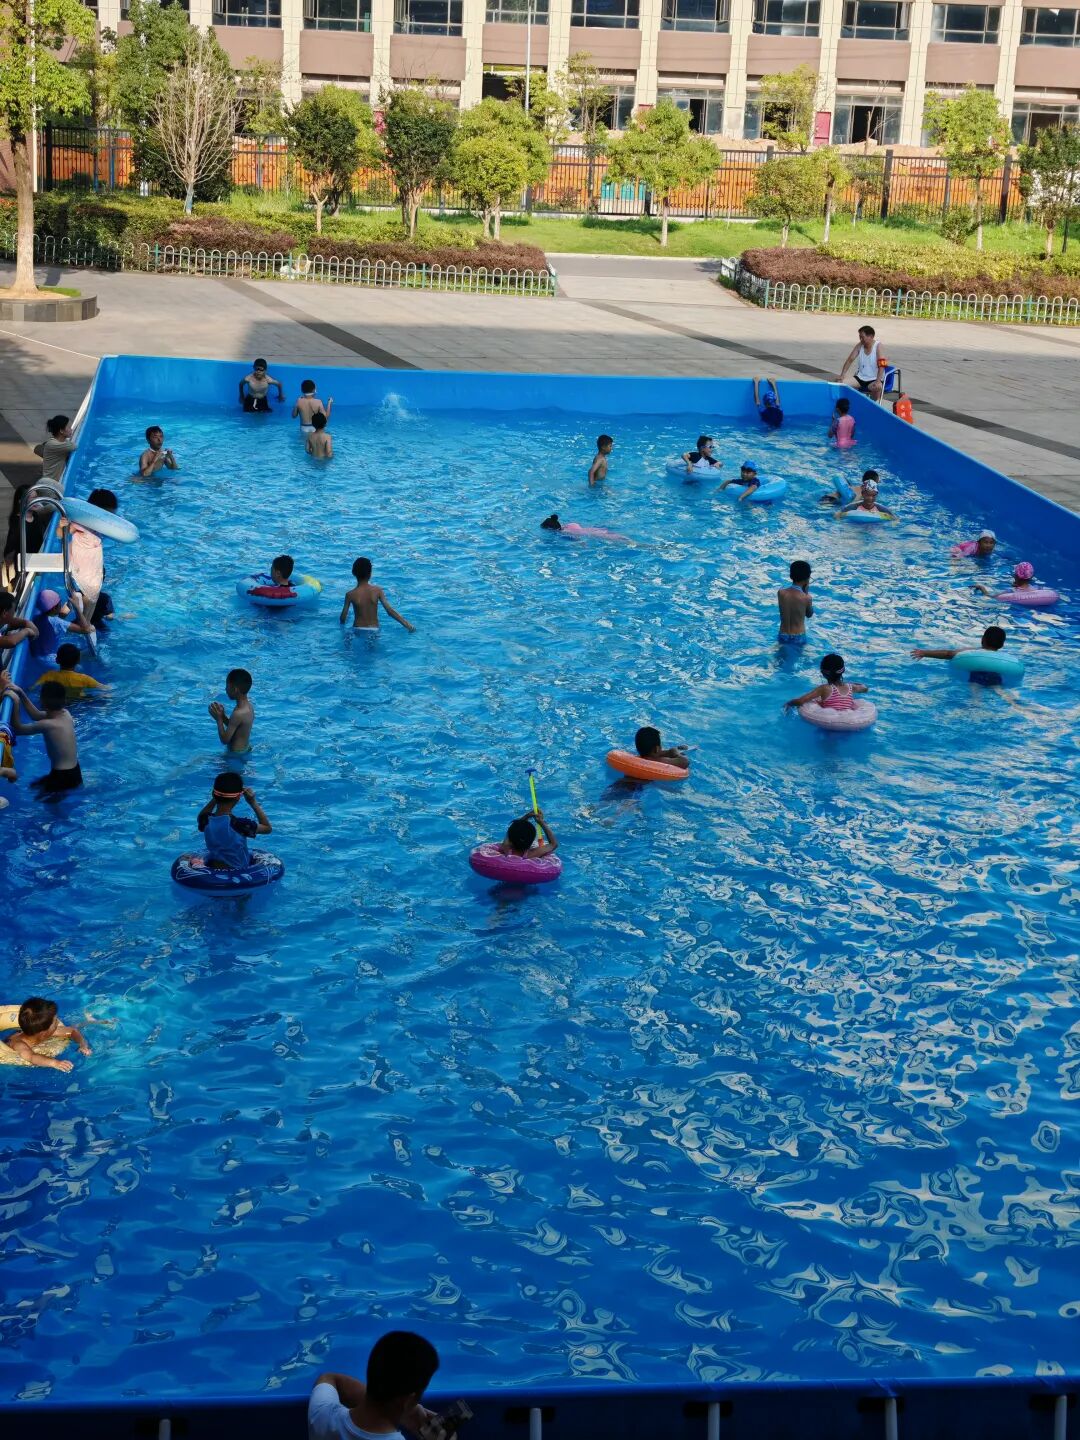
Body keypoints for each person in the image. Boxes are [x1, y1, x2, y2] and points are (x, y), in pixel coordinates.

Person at [308, 1331, 441, 1440]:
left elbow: (329, 1378)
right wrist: (405, 1410)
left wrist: (396, 1405)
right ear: (409, 1399)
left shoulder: (322, 1416)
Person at [58, 487, 122, 630]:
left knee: (92, 591)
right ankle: (85, 624)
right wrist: (61, 526)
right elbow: (61, 535)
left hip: (91, 560)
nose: (110, 517)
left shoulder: (101, 525)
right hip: (83, 560)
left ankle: (84, 622)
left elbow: (62, 613)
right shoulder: (82, 521)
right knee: (92, 591)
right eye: (108, 513)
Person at [3, 681, 82, 793]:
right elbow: (35, 715)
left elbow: (17, 730)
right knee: (34, 787)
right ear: (64, 700)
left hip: (62, 776)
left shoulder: (47, 725)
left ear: (42, 702)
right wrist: (21, 693)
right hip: (75, 772)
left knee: (42, 799)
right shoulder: (65, 714)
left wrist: (16, 702)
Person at [196, 773, 272, 870]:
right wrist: (252, 802)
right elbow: (267, 828)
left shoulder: (205, 820)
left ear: (213, 794)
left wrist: (216, 797)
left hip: (213, 869)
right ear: (238, 797)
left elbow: (201, 815)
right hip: (237, 873)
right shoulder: (240, 825)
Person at [2, 997, 91, 1073]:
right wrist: (55, 1063)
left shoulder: (43, 1032)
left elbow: (72, 1031)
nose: (58, 1022)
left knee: (74, 1027)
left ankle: (89, 1021)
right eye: (55, 1021)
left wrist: (82, 1045)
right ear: (44, 1032)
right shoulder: (19, 1044)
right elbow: (31, 1057)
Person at [340, 558, 414, 633]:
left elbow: (343, 617)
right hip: (373, 630)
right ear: (370, 574)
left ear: (353, 573)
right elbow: (390, 611)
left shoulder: (350, 594)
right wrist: (407, 625)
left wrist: (342, 625)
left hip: (357, 629)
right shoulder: (377, 591)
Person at [784, 653, 868, 713]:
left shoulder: (824, 689)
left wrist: (789, 703)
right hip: (849, 722)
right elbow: (865, 688)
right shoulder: (851, 687)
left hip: (830, 724)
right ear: (843, 670)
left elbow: (801, 701)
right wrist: (851, 683)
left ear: (823, 673)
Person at [28, 588, 94, 663]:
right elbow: (86, 630)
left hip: (35, 654)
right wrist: (77, 607)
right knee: (84, 658)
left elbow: (60, 614)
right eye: (60, 602)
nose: (61, 604)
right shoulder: (56, 622)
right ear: (54, 608)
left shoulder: (34, 616)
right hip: (51, 660)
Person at [911, 624, 1008, 668]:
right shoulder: (1003, 658)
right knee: (998, 688)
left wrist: (924, 653)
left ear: (983, 639)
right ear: (1002, 644)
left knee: (975, 690)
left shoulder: (974, 652)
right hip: (995, 674)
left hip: (976, 675)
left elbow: (948, 654)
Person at [35, 641, 108, 699]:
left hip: (59, 702)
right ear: (78, 661)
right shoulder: (84, 679)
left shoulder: (49, 676)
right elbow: (105, 689)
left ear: (57, 660)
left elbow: (33, 689)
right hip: (80, 701)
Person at [837, 324, 889, 401]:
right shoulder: (860, 345)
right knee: (839, 383)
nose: (861, 339)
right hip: (860, 378)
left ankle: (873, 403)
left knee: (877, 387)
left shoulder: (878, 346)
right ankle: (844, 404)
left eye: (862, 337)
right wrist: (842, 375)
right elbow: (850, 359)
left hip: (874, 379)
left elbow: (882, 364)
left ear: (871, 336)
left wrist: (878, 381)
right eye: (860, 337)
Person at [209, 668, 254, 753]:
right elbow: (235, 726)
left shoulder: (238, 714)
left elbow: (224, 740)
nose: (225, 689)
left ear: (234, 689)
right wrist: (223, 716)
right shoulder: (249, 707)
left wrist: (219, 720)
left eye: (227, 686)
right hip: (245, 749)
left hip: (235, 755)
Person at [777, 560, 813, 644]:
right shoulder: (806, 598)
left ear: (791, 576)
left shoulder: (781, 593)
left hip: (783, 634)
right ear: (807, 578)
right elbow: (809, 614)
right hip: (798, 636)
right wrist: (806, 593)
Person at [33, 415, 76, 483]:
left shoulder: (58, 442)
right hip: (50, 483)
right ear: (61, 431)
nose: (71, 429)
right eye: (68, 427)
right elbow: (75, 447)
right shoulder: (56, 444)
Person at [540, 514, 630, 542]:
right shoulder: (571, 524)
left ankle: (631, 542)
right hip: (592, 529)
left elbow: (578, 539)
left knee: (609, 537)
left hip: (591, 533)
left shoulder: (564, 533)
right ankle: (629, 540)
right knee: (611, 534)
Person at [0, 589, 38, 656]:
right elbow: (11, 641)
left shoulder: (2, 621)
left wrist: (27, 623)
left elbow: (12, 622)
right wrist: (27, 631)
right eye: (13, 610)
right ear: (4, 613)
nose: (14, 613)